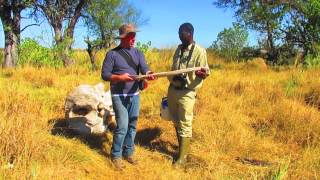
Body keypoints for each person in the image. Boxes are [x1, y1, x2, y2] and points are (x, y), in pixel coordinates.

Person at [101, 23, 155, 170]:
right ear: (123, 38)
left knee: (132, 125)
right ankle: (116, 155)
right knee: (122, 126)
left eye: (134, 36)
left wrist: (149, 74)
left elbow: (144, 68)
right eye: (130, 36)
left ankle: (128, 152)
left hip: (135, 94)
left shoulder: (138, 53)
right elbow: (105, 75)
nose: (133, 39)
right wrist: (120, 78)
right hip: (119, 94)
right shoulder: (112, 54)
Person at [167, 22, 210, 167]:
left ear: (190, 34)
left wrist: (201, 74)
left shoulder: (200, 51)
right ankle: (180, 149)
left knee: (185, 123)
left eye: (182, 33)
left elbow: (205, 73)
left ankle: (182, 159)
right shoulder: (178, 50)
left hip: (187, 92)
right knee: (175, 121)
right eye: (179, 33)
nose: (179, 36)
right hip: (173, 89)